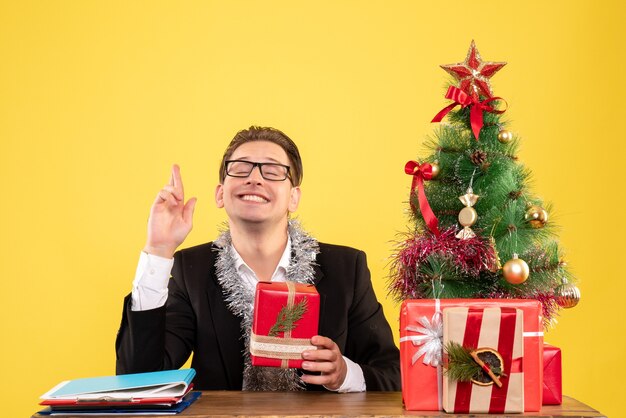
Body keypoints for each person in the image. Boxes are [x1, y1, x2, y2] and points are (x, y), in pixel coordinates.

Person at [115, 126, 400, 392]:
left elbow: (392, 374)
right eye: (240, 169)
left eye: (274, 171)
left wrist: (344, 375)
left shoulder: (346, 268)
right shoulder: (191, 270)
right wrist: (158, 249)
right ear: (220, 194)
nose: (255, 178)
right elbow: (139, 379)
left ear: (293, 198)